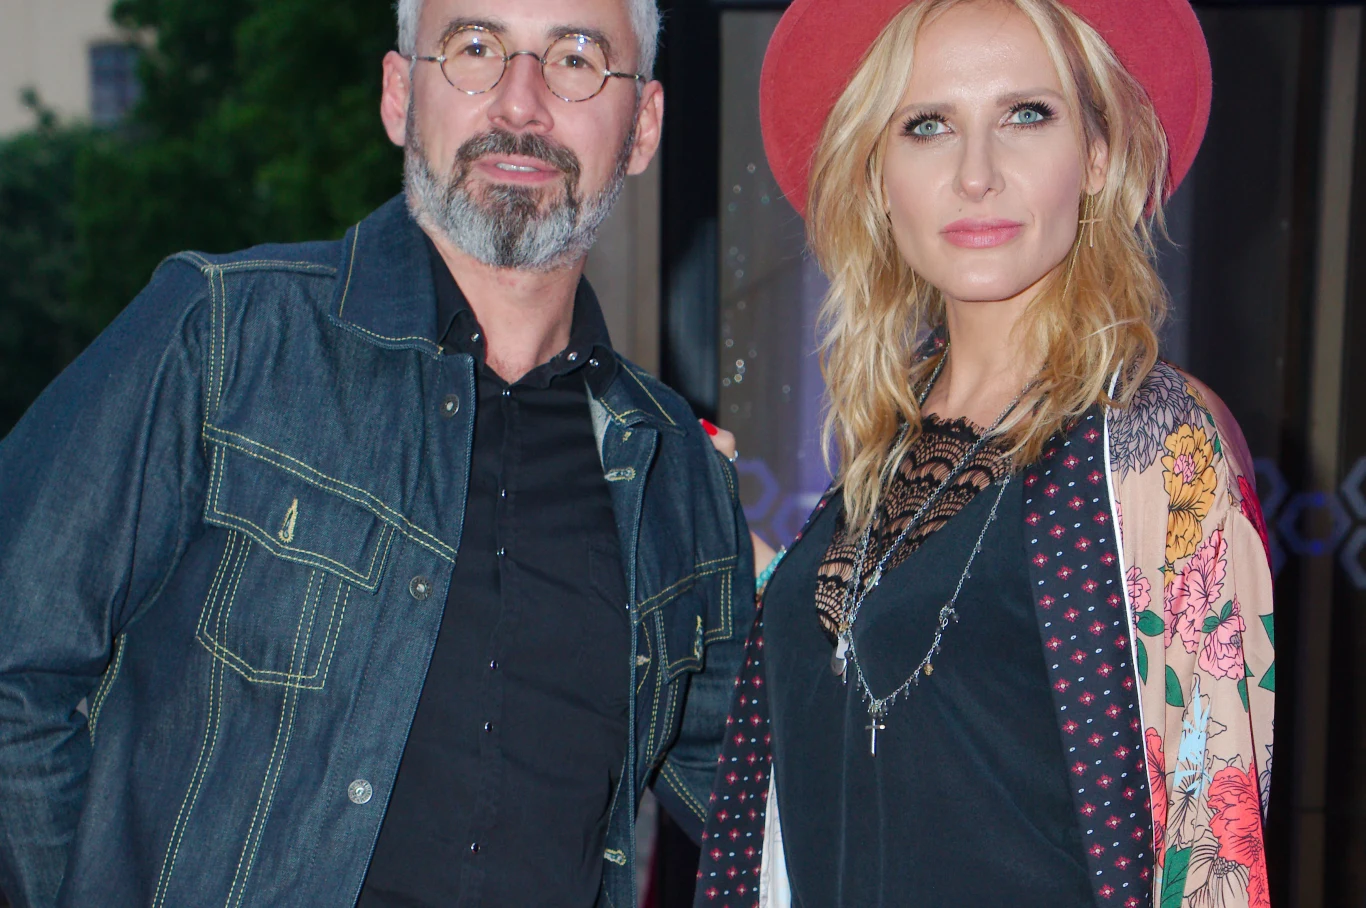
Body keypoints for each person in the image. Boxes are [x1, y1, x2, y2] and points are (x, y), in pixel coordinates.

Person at [0, 0, 754, 905]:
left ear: (643, 126)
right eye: (474, 47)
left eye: (576, 59)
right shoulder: (227, 337)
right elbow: (16, 668)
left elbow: (779, 813)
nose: (520, 101)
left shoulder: (676, 475)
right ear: (400, 95)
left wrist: (821, 577)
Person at [697, 1, 1274, 907]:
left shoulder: (1154, 441)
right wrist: (749, 566)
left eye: (1025, 115)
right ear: (877, 172)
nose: (976, 175)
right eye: (928, 125)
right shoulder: (888, 445)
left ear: (1098, 155)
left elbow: (1214, 857)